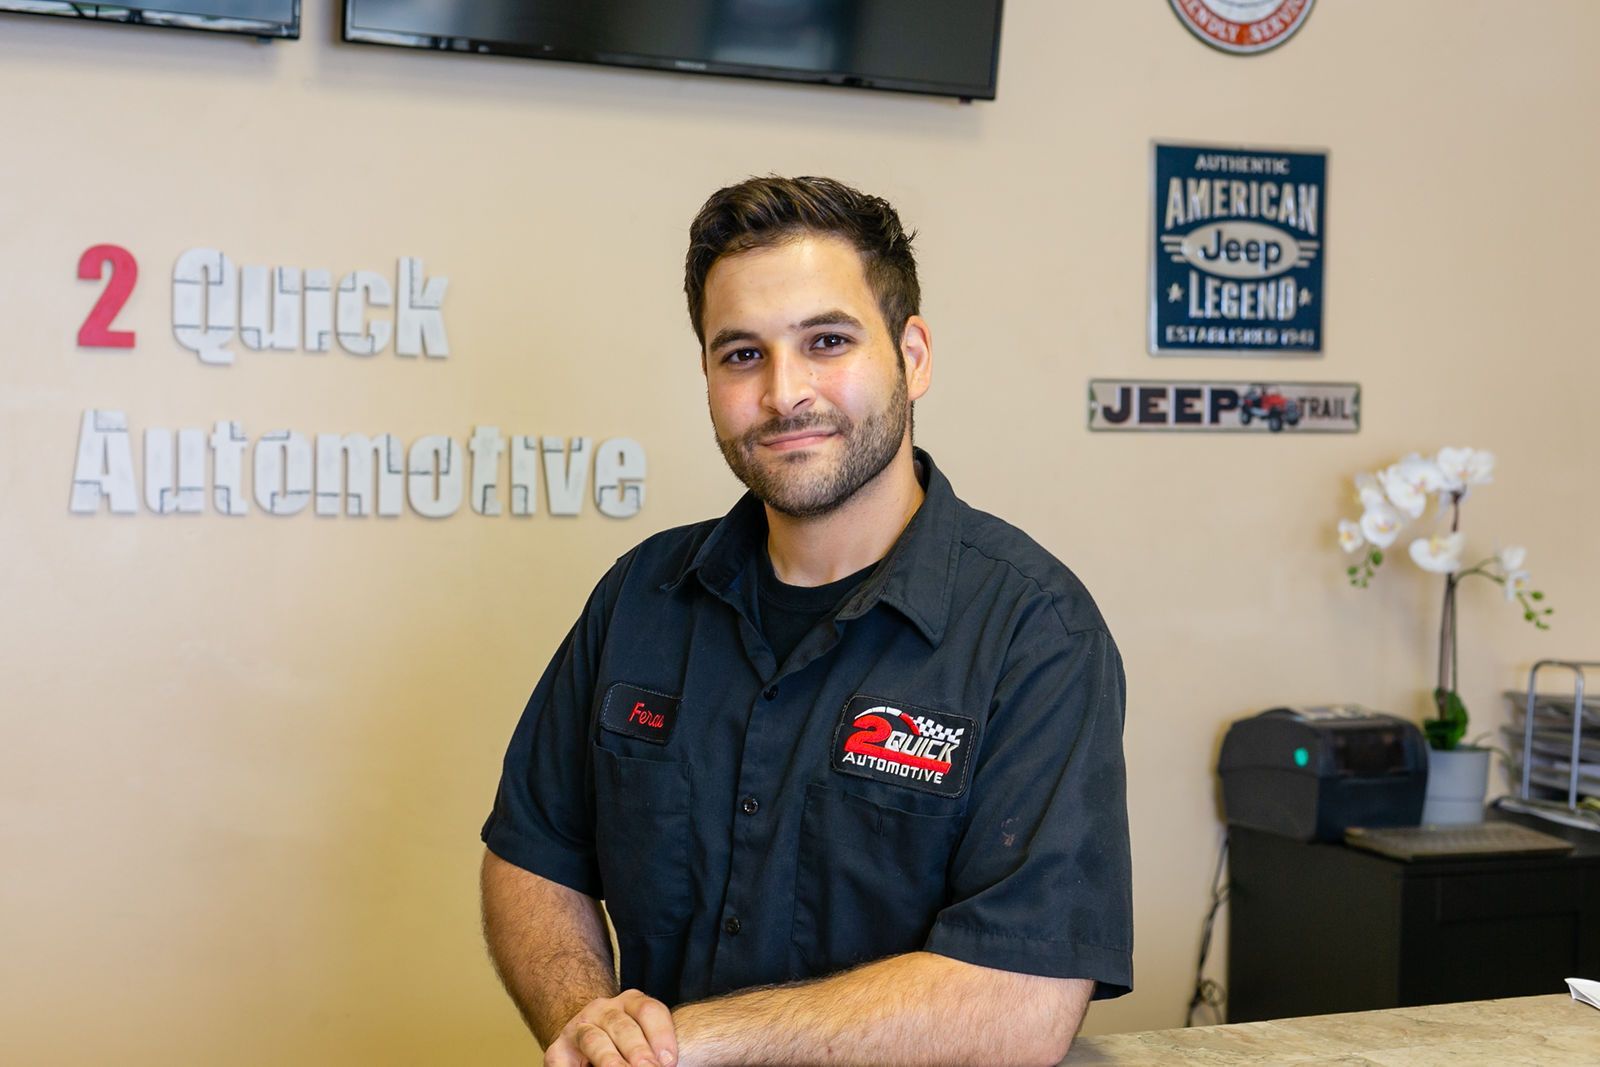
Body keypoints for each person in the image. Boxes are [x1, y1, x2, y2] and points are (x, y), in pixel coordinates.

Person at [480, 176, 1132, 1067]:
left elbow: (1021, 998)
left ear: (913, 356)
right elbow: (532, 857)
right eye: (742, 353)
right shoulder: (640, 597)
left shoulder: (1035, 632)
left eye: (827, 341)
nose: (785, 393)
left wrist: (685, 1044)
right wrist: (593, 1022)